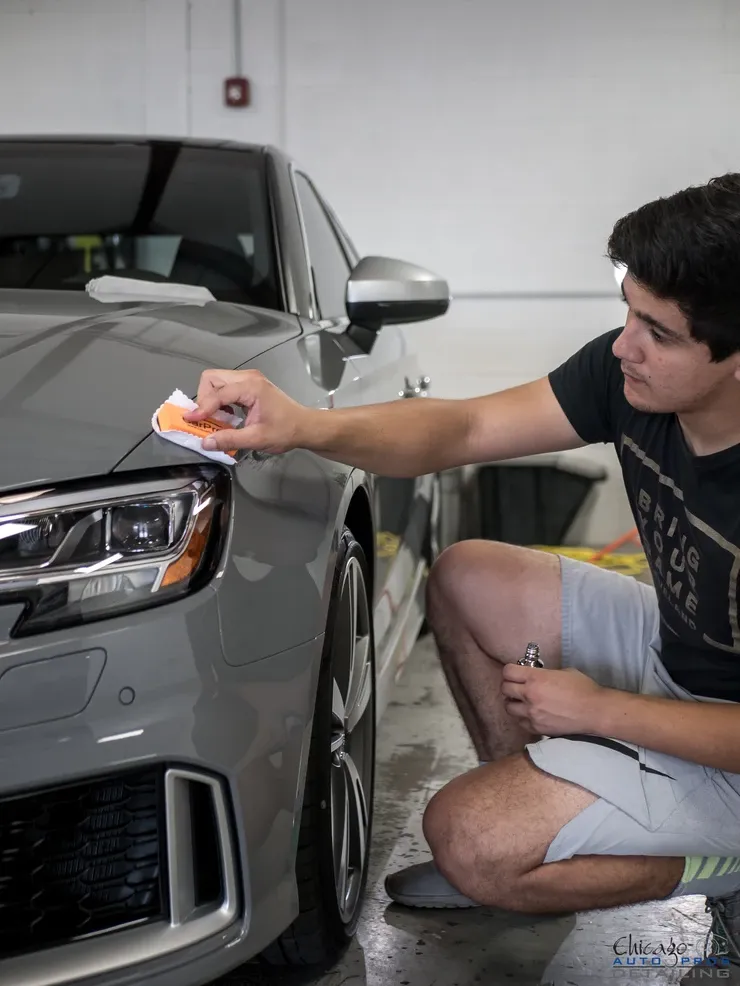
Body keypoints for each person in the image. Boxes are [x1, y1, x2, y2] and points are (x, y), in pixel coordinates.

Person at [185, 173, 740, 969]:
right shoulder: (631, 383)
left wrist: (602, 712)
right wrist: (304, 424)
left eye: (658, 330)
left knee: (469, 842)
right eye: (626, 310)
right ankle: (552, 815)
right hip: (686, 651)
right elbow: (465, 425)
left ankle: (717, 866)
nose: (624, 344)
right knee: (468, 574)